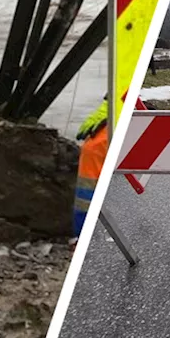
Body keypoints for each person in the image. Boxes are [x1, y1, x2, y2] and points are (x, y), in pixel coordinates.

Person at [72, 98, 109, 252]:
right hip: (106, 131)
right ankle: (82, 236)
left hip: (102, 137)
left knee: (87, 192)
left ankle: (81, 237)